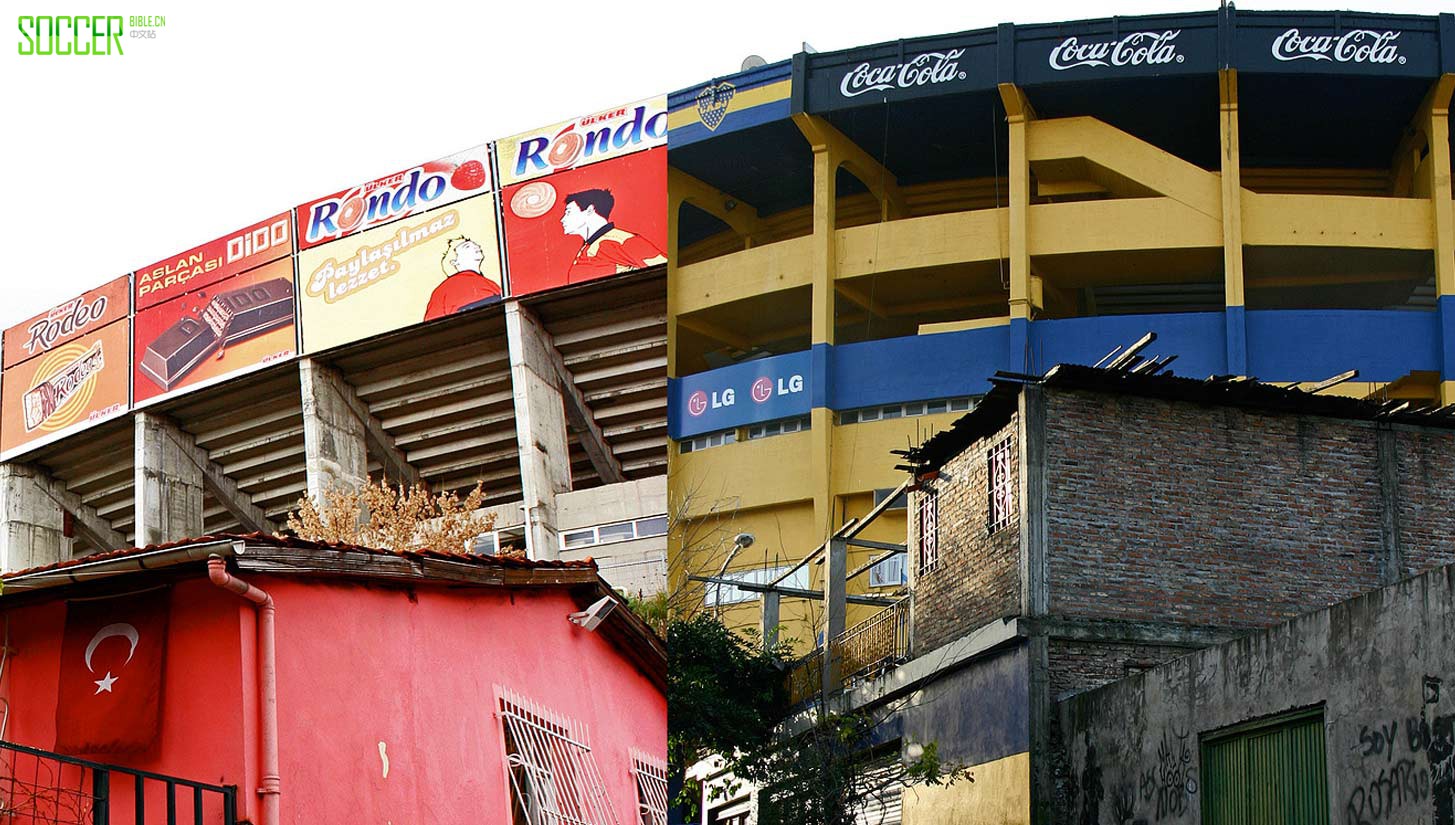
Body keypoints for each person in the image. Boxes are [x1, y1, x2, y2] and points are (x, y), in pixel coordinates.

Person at [559, 189, 666, 282]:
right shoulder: (588, 247)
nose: (562, 219)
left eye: (568, 212)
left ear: (590, 210)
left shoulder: (620, 240)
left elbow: (663, 269)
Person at [424, 237, 501, 321]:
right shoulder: (444, 289)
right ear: (454, 261)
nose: (477, 246)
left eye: (475, 244)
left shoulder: (491, 283)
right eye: (467, 246)